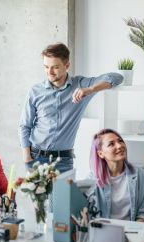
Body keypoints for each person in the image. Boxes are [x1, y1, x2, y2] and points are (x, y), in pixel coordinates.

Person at [19, 43, 123, 173]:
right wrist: (27, 157)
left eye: (55, 67)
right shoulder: (35, 91)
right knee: (38, 194)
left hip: (63, 161)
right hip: (36, 158)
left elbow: (117, 77)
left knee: (64, 194)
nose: (49, 72)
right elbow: (25, 126)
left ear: (67, 65)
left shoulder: (80, 85)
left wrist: (90, 89)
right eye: (46, 67)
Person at [86, 129, 144, 222]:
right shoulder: (92, 179)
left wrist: (134, 230)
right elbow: (88, 212)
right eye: (111, 144)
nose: (119, 146)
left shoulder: (140, 174)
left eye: (120, 141)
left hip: (133, 231)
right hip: (104, 231)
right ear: (101, 153)